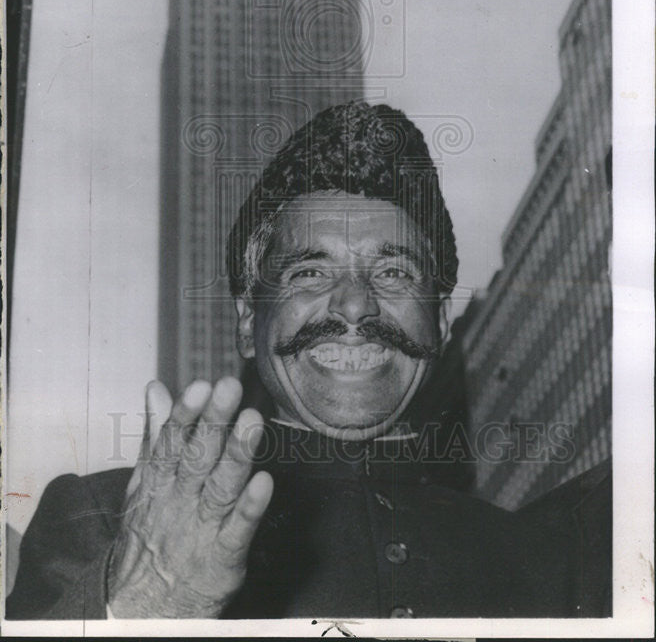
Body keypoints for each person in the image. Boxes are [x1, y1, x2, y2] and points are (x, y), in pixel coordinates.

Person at [7, 101, 611, 620]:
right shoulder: (99, 520)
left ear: (441, 322)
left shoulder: (552, 566)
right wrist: (143, 605)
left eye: (394, 271)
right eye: (310, 271)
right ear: (249, 320)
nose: (353, 304)